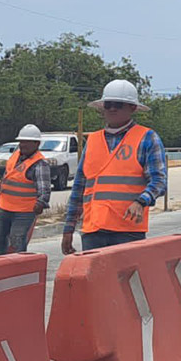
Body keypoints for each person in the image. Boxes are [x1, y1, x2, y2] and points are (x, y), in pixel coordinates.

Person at [61, 79, 167, 254]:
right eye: (108, 104)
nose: (111, 109)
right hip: (92, 231)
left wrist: (141, 201)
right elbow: (79, 188)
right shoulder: (93, 141)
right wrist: (68, 229)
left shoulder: (147, 138)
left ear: (132, 108)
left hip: (128, 231)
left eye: (118, 104)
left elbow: (159, 181)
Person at [0, 124, 51, 255]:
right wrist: (0, 186)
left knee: (17, 240)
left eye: (26, 142)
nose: (22, 145)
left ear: (36, 143)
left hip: (24, 211)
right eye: (21, 141)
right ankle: (2, 267)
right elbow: (10, 174)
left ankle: (19, 268)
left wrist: (41, 202)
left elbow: (44, 187)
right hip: (5, 207)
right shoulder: (15, 156)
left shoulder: (39, 163)